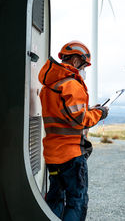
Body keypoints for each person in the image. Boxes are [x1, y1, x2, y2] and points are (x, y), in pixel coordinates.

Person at [38, 40, 109, 221]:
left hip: (52, 156)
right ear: (77, 60)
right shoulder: (71, 85)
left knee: (54, 199)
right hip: (70, 156)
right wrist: (99, 114)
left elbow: (66, 115)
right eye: (84, 65)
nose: (84, 70)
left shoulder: (49, 88)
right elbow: (81, 121)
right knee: (76, 201)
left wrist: (90, 110)